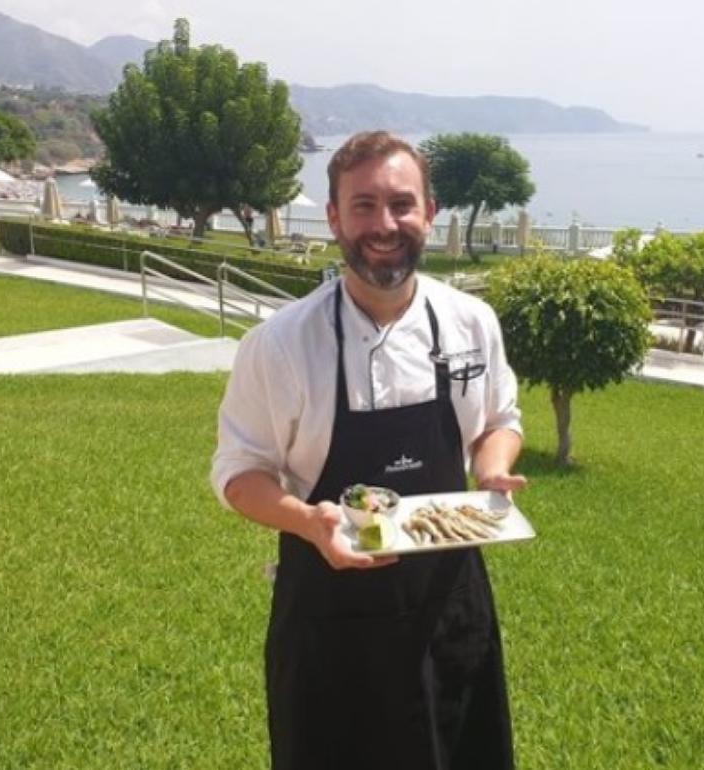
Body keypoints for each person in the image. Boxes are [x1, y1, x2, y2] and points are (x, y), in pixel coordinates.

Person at [212, 131, 526, 770]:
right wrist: (308, 520)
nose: (385, 224)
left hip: (449, 610)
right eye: (363, 206)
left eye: (402, 204)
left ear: (429, 214)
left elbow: (500, 418)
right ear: (333, 217)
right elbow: (239, 473)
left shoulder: (472, 322)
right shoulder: (279, 345)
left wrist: (492, 466)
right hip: (330, 622)